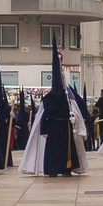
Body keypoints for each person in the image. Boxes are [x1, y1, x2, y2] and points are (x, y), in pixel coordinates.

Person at [21, 37, 85, 176]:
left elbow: (75, 108)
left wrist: (74, 118)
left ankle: (67, 169)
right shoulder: (48, 99)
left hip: (66, 127)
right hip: (54, 128)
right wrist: (44, 129)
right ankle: (53, 170)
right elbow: (43, 115)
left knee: (66, 149)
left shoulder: (67, 96)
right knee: (53, 150)